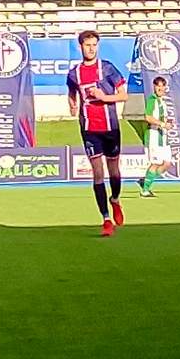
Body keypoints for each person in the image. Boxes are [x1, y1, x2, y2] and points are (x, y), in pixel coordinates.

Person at [64, 30, 127, 237]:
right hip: (89, 128)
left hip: (110, 127)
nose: (91, 48)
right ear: (80, 47)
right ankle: (106, 219)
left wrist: (104, 97)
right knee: (97, 172)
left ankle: (115, 199)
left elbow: (124, 95)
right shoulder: (75, 73)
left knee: (114, 170)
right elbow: (72, 91)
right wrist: (72, 104)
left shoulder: (107, 68)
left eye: (94, 45)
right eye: (87, 45)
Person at [138, 75, 173, 197]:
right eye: (158, 86)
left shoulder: (163, 102)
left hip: (163, 137)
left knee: (167, 163)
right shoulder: (152, 100)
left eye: (163, 86)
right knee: (156, 163)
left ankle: (145, 180)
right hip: (154, 136)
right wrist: (162, 124)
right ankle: (145, 190)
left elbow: (163, 118)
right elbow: (148, 117)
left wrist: (168, 124)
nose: (160, 88)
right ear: (154, 87)